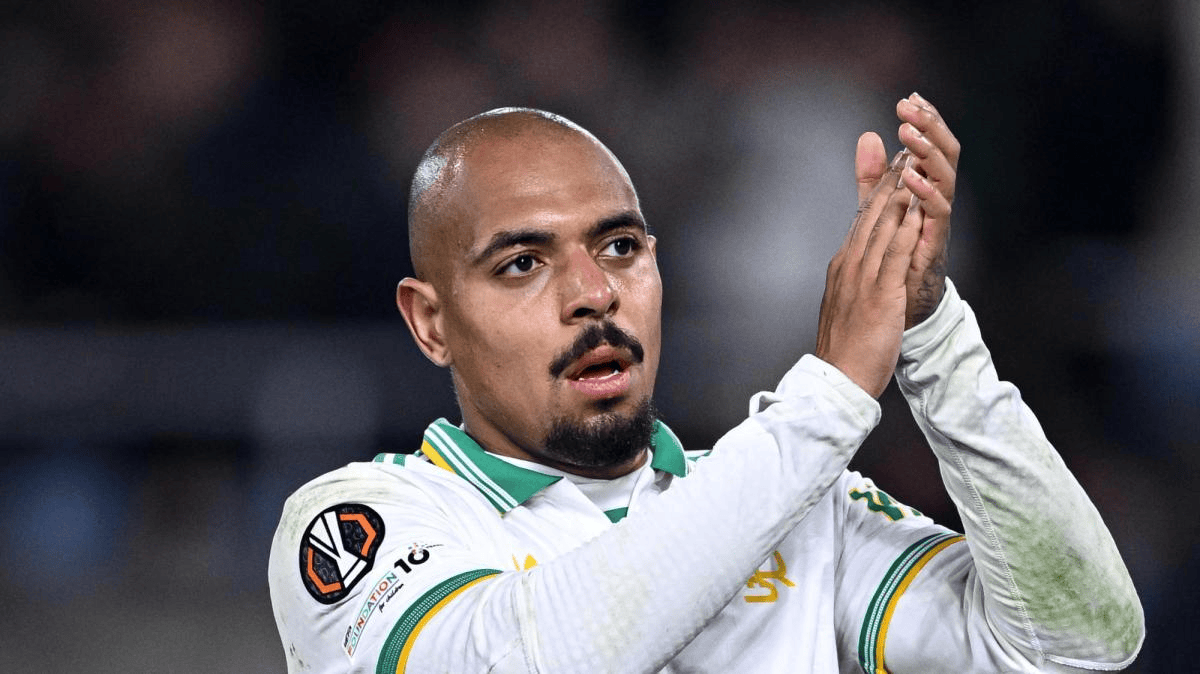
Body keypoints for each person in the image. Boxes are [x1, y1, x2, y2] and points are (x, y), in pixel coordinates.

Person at [268, 94, 1144, 673]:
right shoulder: (359, 521)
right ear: (430, 322)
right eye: (523, 262)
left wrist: (934, 334)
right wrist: (827, 399)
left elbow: (1080, 643)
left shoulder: (806, 506)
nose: (593, 293)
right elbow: (522, 660)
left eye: (620, 247)